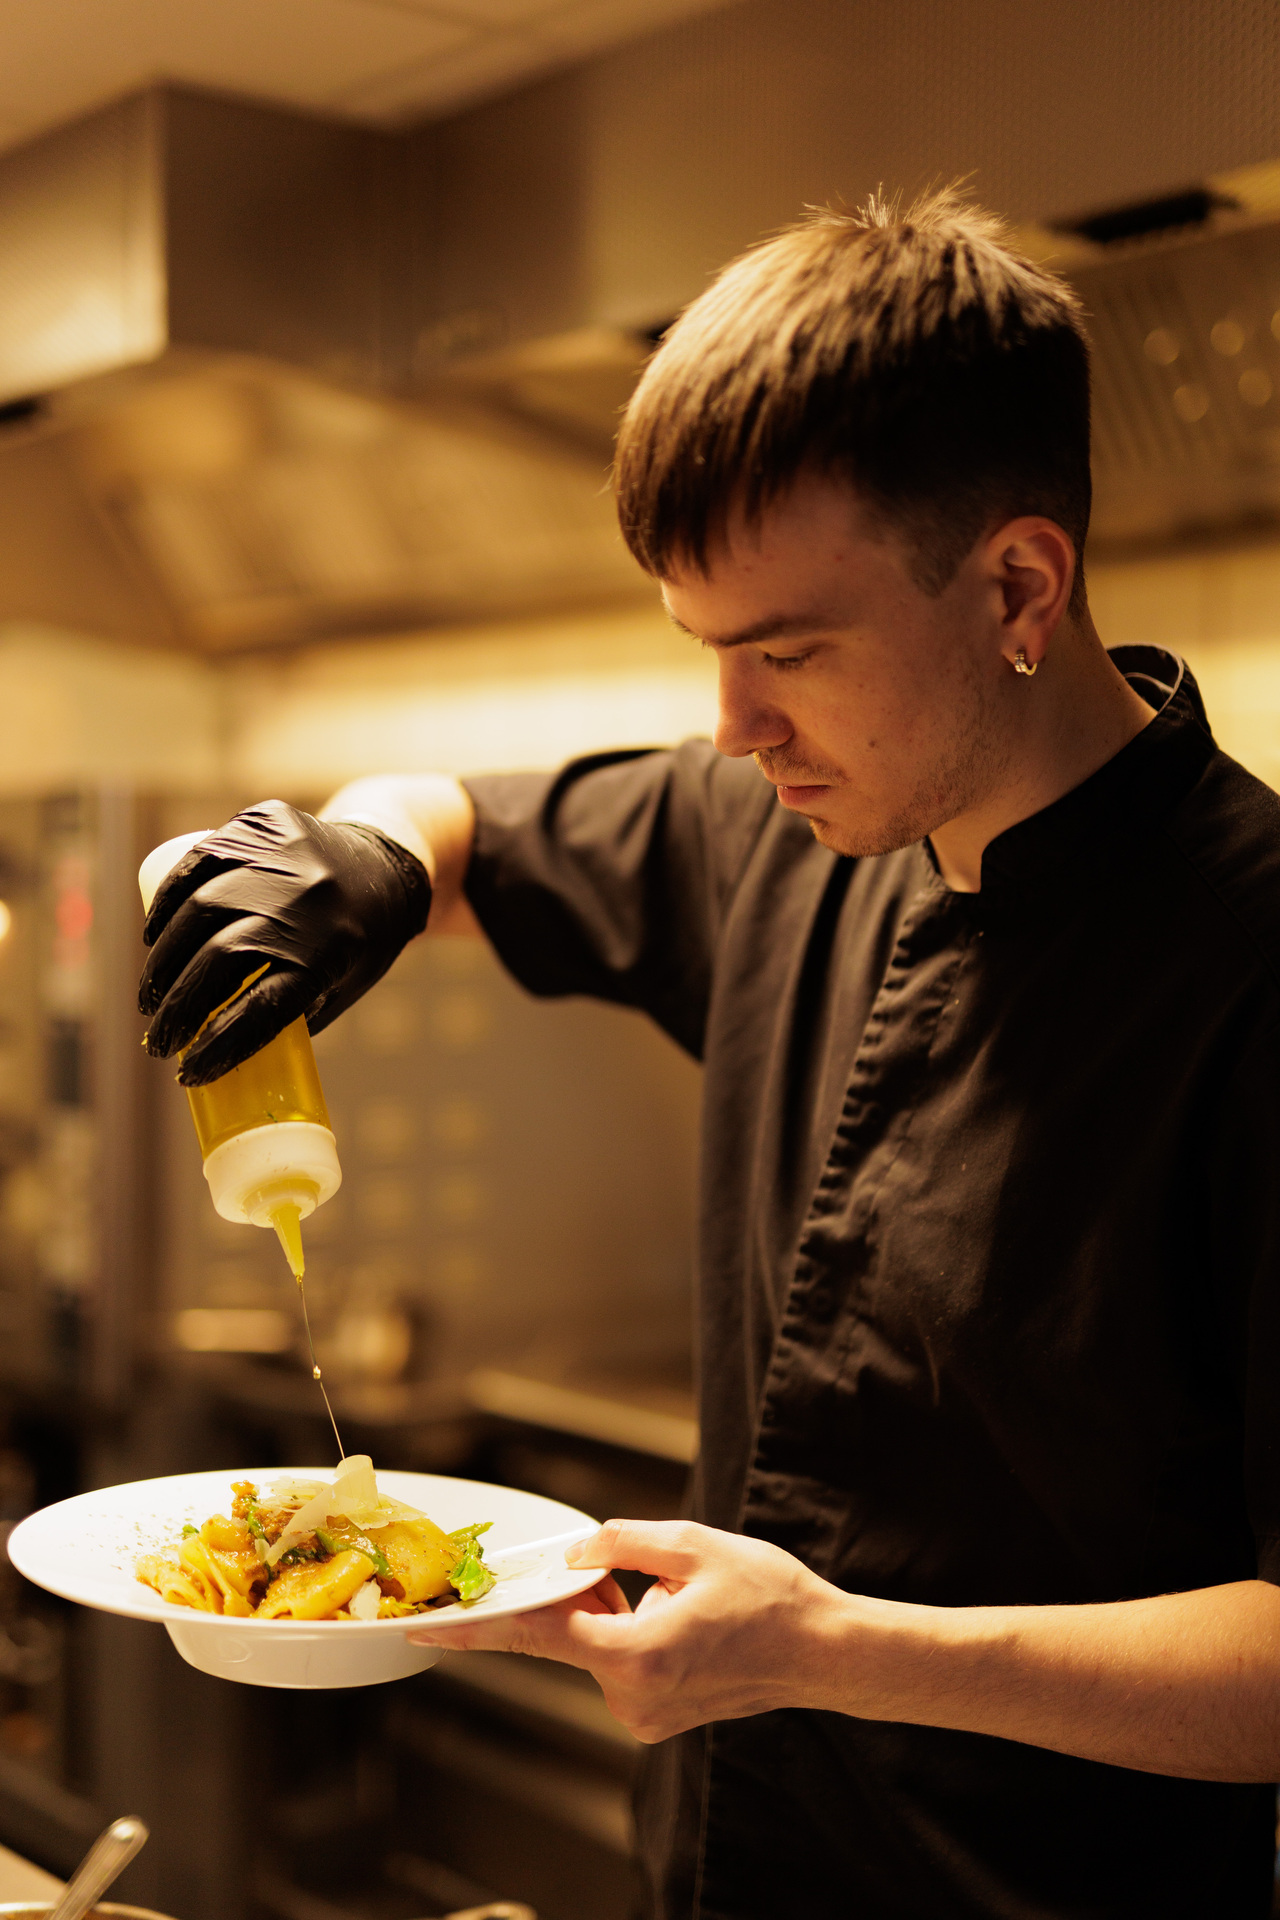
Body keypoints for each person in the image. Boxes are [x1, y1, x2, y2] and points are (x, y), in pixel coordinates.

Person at [138, 190, 1280, 1918]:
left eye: (790, 653)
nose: (736, 731)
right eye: (708, 654)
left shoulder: (1250, 970)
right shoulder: (790, 826)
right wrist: (359, 857)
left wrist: (833, 1650)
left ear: (1020, 585)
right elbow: (462, 826)